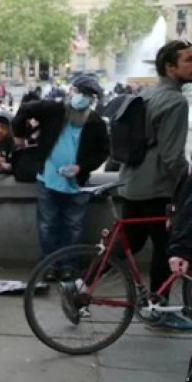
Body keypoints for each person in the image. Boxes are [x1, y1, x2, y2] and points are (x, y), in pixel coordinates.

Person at [119, 40, 192, 330]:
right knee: (168, 246)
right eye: (188, 60)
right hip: (158, 187)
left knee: (131, 241)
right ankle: (159, 309)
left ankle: (81, 283)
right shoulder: (176, 101)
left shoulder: (148, 92)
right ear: (170, 67)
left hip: (132, 181)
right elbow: (172, 156)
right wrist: (186, 181)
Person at [12, 74, 109, 281]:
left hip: (76, 183)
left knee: (73, 226)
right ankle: (49, 264)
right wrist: (19, 133)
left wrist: (81, 166)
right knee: (47, 225)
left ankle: (69, 266)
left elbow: (102, 152)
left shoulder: (95, 122)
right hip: (48, 178)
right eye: (79, 92)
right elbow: (26, 108)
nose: (81, 97)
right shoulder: (54, 110)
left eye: (87, 95)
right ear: (71, 92)